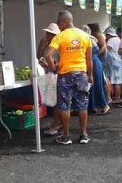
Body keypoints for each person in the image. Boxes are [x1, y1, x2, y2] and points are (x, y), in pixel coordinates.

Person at [45, 10, 93, 145]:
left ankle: (66, 136)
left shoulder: (60, 37)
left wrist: (54, 68)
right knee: (83, 105)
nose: (58, 25)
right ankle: (83, 135)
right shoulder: (84, 35)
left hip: (65, 74)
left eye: (59, 22)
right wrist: (90, 75)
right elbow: (89, 59)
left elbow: (48, 55)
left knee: (65, 105)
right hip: (81, 74)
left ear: (66, 21)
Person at [36, 23, 62, 136]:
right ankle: (58, 123)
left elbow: (62, 62)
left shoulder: (60, 46)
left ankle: (55, 126)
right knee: (52, 100)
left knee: (56, 101)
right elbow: (38, 57)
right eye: (47, 33)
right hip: (48, 74)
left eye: (49, 33)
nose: (46, 35)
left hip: (55, 74)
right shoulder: (47, 45)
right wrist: (40, 46)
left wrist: (51, 66)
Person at [79, 25, 110, 115]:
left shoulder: (89, 40)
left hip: (94, 63)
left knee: (97, 85)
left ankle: (105, 105)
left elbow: (94, 52)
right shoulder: (89, 39)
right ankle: (92, 106)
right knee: (91, 86)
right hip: (93, 63)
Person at [87, 23, 112, 103]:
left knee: (105, 77)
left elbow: (104, 46)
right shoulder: (95, 36)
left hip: (104, 58)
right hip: (100, 57)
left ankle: (108, 98)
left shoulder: (99, 35)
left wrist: (97, 54)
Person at [104, 27, 122, 104]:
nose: (106, 37)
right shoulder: (118, 39)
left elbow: (106, 49)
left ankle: (117, 97)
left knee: (115, 80)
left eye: (107, 35)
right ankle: (117, 96)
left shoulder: (111, 40)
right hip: (119, 60)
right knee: (118, 79)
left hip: (114, 61)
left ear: (109, 35)